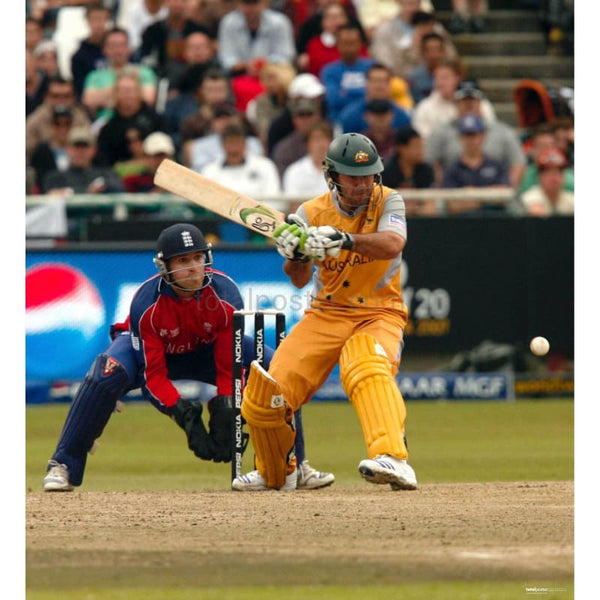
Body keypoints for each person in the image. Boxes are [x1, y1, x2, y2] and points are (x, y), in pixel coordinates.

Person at [43, 223, 334, 491]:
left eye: (198, 258)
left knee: (276, 367)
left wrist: (225, 407)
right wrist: (184, 415)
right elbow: (152, 375)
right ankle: (64, 465)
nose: (194, 268)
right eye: (183, 261)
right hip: (154, 355)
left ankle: (295, 463)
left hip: (207, 351)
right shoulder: (146, 304)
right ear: (164, 267)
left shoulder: (226, 295)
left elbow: (226, 363)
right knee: (105, 372)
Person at [232, 132, 418, 492]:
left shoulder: (389, 201)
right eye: (354, 177)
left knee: (365, 364)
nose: (364, 185)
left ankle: (393, 458)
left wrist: (343, 239)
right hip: (326, 314)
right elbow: (299, 280)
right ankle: (279, 473)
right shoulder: (309, 213)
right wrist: (296, 255)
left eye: (369, 176)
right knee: (267, 392)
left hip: (379, 312)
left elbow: (393, 243)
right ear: (332, 176)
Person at [425, 79, 525, 189]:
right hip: (453, 192)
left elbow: (517, 163)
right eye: (464, 100)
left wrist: (505, 192)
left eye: (473, 99)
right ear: (455, 102)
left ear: (481, 102)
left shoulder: (503, 132)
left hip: (496, 195)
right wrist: (444, 189)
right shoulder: (440, 132)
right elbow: (430, 163)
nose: (469, 104)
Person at [216, 0, 296, 110]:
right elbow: (226, 58)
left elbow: (286, 55)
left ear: (265, 3)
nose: (251, 9)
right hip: (239, 75)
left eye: (255, 3)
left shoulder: (280, 22)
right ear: (238, 4)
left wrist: (263, 64)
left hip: (273, 74)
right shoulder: (228, 22)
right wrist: (245, 66)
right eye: (247, 3)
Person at [82, 28, 158, 121]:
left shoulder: (145, 72)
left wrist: (107, 100)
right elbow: (89, 101)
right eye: (113, 46)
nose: (118, 50)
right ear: (105, 49)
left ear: (129, 48)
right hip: (105, 122)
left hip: (139, 121)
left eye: (121, 45)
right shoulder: (94, 76)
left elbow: (148, 99)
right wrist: (131, 91)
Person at [441, 114, 511, 215]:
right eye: (467, 135)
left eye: (474, 135)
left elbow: (504, 195)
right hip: (462, 223)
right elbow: (452, 205)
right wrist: (489, 197)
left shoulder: (497, 165)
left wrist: (472, 194)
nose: (471, 140)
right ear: (461, 137)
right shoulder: (452, 168)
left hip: (495, 220)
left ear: (483, 136)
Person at [95, 70, 167, 167]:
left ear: (140, 92)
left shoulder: (156, 121)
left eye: (131, 90)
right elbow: (105, 162)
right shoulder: (108, 129)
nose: (128, 95)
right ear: (115, 94)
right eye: (123, 91)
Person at [201, 123, 281, 200]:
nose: (234, 149)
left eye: (238, 143)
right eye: (230, 143)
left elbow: (274, 198)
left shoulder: (265, 166)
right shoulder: (210, 171)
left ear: (245, 144)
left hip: (259, 213)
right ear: (223, 145)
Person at [139, 0, 209, 85]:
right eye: (174, 1)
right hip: (160, 80)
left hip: (193, 81)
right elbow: (146, 57)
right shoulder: (153, 31)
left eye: (182, 1)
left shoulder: (198, 30)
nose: (178, 4)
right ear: (165, 2)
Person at [26, 76, 92, 164]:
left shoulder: (82, 120)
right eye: (55, 96)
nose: (61, 101)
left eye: (66, 96)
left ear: (73, 98)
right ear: (46, 97)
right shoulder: (35, 122)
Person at [43, 126, 126, 194]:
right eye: (76, 147)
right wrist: (87, 191)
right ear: (67, 149)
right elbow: (52, 195)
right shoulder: (55, 177)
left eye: (85, 147)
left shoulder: (106, 174)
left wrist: (102, 186)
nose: (80, 152)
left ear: (94, 150)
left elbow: (119, 188)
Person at [183, 102, 263, 172]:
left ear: (238, 120)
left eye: (228, 116)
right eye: (219, 118)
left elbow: (258, 168)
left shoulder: (253, 143)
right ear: (212, 122)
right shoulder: (200, 146)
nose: (225, 121)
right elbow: (200, 171)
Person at [320, 24, 374, 124]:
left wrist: (345, 92)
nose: (349, 47)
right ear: (338, 44)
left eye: (352, 43)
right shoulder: (329, 71)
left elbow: (376, 97)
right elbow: (333, 99)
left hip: (370, 121)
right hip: (338, 121)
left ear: (360, 44)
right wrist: (363, 94)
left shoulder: (372, 68)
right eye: (345, 43)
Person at [337, 62, 411, 134]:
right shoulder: (350, 116)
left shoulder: (401, 117)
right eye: (375, 81)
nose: (379, 85)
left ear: (390, 84)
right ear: (367, 83)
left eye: (383, 81)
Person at [298, 1, 365, 78]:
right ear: (323, 22)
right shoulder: (314, 44)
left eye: (341, 16)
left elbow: (363, 62)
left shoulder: (355, 41)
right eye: (333, 18)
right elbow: (316, 67)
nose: (337, 22)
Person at [381, 125, 436, 215]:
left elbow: (430, 201)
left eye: (421, 146)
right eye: (416, 146)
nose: (421, 150)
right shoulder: (385, 171)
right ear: (402, 148)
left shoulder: (426, 170)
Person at [271, 97, 323, 180]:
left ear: (317, 117)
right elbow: (282, 181)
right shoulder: (284, 149)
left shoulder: (329, 144)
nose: (305, 120)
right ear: (294, 120)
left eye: (309, 114)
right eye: (301, 115)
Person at [411, 59, 465, 139]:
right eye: (437, 77)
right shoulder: (424, 108)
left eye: (445, 77)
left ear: (458, 78)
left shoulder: (476, 104)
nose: (440, 83)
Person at [70, 3, 112, 100]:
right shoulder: (79, 56)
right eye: (95, 19)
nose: (99, 24)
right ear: (87, 21)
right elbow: (81, 90)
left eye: (103, 19)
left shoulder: (118, 48)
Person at [519, 121, 574, 194]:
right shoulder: (522, 177)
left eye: (550, 145)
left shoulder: (570, 178)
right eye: (541, 146)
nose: (546, 150)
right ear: (532, 150)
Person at [282, 120, 333, 198]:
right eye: (316, 140)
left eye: (324, 139)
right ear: (307, 144)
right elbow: (293, 205)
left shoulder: (340, 171)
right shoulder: (294, 171)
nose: (321, 145)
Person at [30, 105, 75, 193]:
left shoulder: (82, 149)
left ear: (72, 125)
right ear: (51, 126)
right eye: (58, 124)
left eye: (67, 124)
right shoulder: (41, 152)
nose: (62, 128)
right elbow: (38, 181)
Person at [519, 147, 574, 216]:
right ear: (539, 177)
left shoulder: (572, 200)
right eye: (548, 173)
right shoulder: (527, 199)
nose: (554, 178)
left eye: (558, 173)